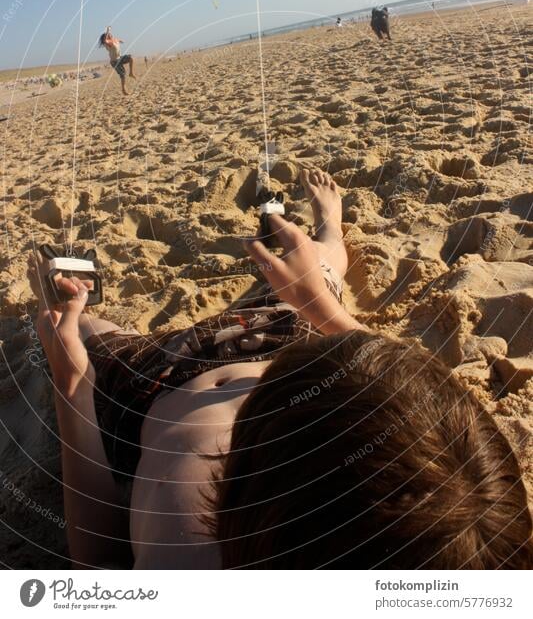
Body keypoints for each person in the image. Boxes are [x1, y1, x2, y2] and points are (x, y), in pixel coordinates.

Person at [30, 170, 533, 570]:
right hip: (286, 345)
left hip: (153, 388)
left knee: (80, 328)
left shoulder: (181, 566)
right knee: (320, 273)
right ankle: (329, 226)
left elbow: (100, 558)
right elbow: (400, 384)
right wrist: (324, 310)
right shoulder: (481, 548)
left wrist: (73, 383)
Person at [98, 26, 135, 95]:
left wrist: (120, 41)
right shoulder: (108, 43)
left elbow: (118, 40)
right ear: (107, 37)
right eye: (109, 35)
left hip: (120, 58)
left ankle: (131, 73)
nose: (110, 34)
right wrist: (107, 31)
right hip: (114, 61)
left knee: (131, 58)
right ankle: (124, 90)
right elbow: (105, 40)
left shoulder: (114, 40)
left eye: (110, 34)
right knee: (123, 75)